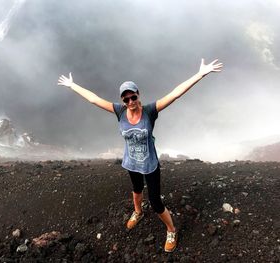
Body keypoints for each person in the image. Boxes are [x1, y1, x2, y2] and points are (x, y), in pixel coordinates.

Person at [57, 58, 223, 252]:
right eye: (125, 99)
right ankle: (137, 212)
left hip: (150, 164)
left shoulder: (150, 111)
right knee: (136, 190)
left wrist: (200, 74)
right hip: (131, 162)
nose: (130, 102)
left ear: (138, 95)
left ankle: (171, 229)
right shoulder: (119, 111)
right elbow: (93, 99)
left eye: (132, 97)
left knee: (155, 201)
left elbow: (175, 94)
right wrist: (72, 85)